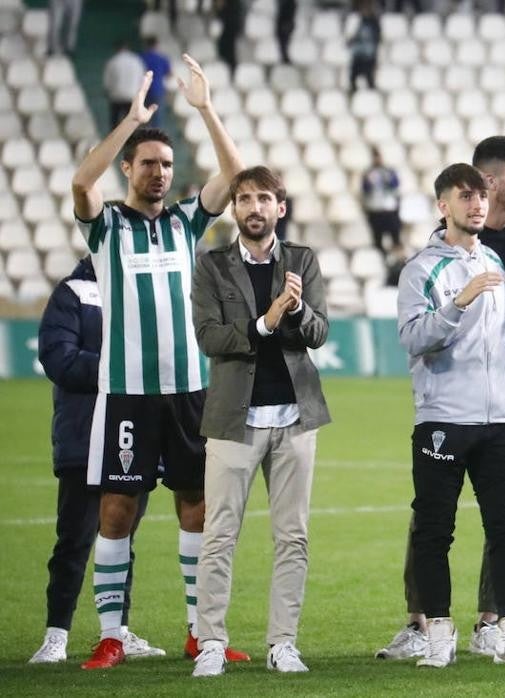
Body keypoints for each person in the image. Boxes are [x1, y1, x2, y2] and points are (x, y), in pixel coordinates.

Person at [71, 55, 245, 670]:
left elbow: (233, 175)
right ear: (129, 168)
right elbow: (80, 184)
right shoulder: (107, 227)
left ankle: (201, 632)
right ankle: (113, 634)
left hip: (190, 389)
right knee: (117, 509)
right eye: (149, 164)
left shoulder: (184, 223)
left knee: (195, 505)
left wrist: (204, 109)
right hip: (127, 392)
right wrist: (133, 121)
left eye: (167, 165)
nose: (160, 174)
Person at [396, 163, 505, 668]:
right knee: (433, 531)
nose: (477, 204)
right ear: (443, 205)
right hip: (445, 418)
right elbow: (413, 338)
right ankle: (438, 633)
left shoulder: (489, 256)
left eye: (481, 196)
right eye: (465, 196)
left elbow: (498, 329)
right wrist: (459, 304)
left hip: (502, 419)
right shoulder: (422, 269)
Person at [189, 167, 330, 677]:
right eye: (244, 198)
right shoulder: (211, 265)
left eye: (264, 198)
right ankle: (211, 643)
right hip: (234, 418)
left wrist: (292, 315)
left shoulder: (301, 260)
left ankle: (282, 643)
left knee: (293, 536)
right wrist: (265, 322)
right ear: (233, 208)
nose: (254, 207)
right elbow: (209, 337)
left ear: (280, 208)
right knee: (219, 535)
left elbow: (318, 332)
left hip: (296, 416)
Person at [30, 256, 162, 665]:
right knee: (74, 539)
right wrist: (115, 367)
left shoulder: (145, 290)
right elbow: (58, 359)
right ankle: (56, 636)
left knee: (123, 538)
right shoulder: (74, 293)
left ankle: (117, 631)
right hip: (85, 434)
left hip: (135, 432)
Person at [362, 148, 402, 252]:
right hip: (376, 209)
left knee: (395, 237)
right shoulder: (368, 173)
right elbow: (365, 189)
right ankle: (380, 257)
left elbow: (396, 185)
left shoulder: (389, 172)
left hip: (389, 209)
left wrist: (387, 180)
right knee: (377, 238)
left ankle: (397, 260)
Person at [104, 41, 146, 128]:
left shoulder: (112, 61)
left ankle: (115, 140)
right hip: (131, 95)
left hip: (116, 95)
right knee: (131, 122)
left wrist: (108, 90)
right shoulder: (136, 60)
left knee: (115, 123)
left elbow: (107, 80)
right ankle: (131, 140)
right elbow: (142, 77)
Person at [347, 0, 381, 94]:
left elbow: (376, 38)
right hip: (358, 54)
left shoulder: (374, 22)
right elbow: (353, 37)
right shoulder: (359, 21)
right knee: (353, 77)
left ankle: (372, 97)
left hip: (368, 55)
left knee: (369, 79)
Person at [139, 38, 172, 127]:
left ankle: (146, 137)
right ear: (156, 45)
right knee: (157, 116)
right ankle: (155, 136)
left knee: (144, 116)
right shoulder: (162, 58)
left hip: (143, 90)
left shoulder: (141, 58)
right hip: (158, 89)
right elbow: (169, 74)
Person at [215, 0, 242, 80]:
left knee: (230, 55)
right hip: (225, 33)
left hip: (230, 33)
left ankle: (232, 75)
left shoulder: (234, 6)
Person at [276, 0, 297, 65]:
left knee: (285, 42)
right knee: (283, 43)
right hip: (282, 24)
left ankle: (285, 59)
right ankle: (285, 59)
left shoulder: (291, 3)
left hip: (286, 24)